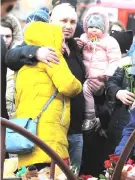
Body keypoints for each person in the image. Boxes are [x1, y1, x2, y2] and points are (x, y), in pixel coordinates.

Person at [5, 3, 86, 174]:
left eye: (73, 22)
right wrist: (35, 51)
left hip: (73, 131)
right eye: (63, 20)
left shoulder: (77, 47)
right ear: (50, 20)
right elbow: (10, 57)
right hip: (48, 133)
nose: (68, 26)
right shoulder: (40, 45)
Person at [79, 6, 121, 134]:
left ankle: (90, 117)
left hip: (100, 78)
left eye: (97, 28)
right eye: (91, 27)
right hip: (86, 76)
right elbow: (78, 52)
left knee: (86, 89)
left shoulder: (109, 41)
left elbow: (115, 60)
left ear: (104, 28)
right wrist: (78, 45)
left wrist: (108, 74)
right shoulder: (83, 38)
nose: (94, 30)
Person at [1, 15, 23, 118]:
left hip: (14, 116)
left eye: (8, 36)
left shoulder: (20, 57)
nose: (4, 39)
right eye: (1, 36)